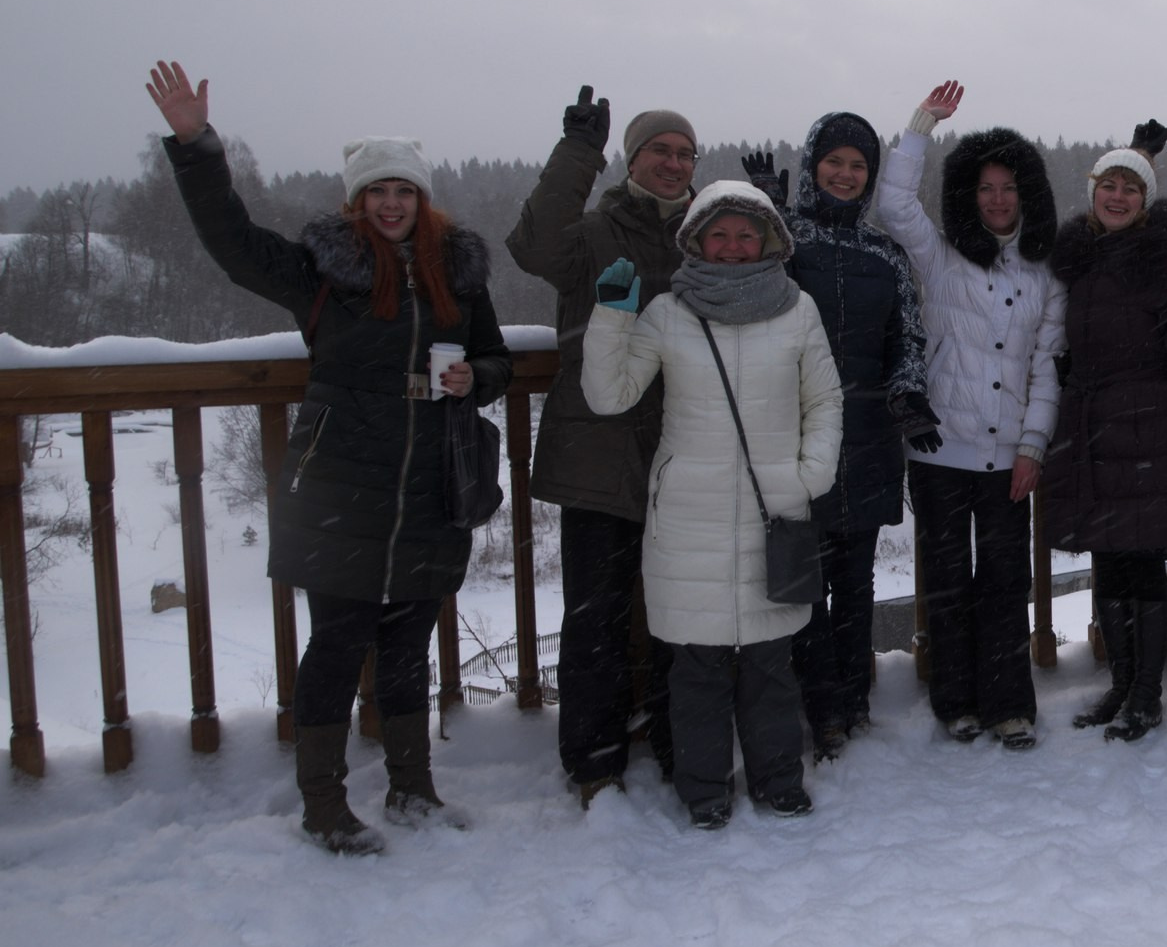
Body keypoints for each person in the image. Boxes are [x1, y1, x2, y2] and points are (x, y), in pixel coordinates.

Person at [146, 61, 510, 854]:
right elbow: (234, 245)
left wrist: (472, 376)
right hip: (341, 479)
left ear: (423, 199)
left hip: (428, 484)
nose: (391, 204)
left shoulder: (458, 272)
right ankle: (324, 805)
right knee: (338, 643)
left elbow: (495, 361)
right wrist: (196, 147)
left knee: (409, 642)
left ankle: (413, 789)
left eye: (404, 191)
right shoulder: (325, 271)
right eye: (378, 192)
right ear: (356, 201)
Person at [580, 181, 842, 828]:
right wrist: (613, 314)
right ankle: (704, 789)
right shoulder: (669, 313)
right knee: (695, 668)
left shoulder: (797, 310)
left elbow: (825, 401)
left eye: (745, 234)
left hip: (773, 509)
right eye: (718, 234)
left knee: (770, 664)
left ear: (769, 241)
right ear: (695, 240)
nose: (732, 246)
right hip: (688, 517)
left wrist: (808, 477)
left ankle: (778, 779)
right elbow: (609, 395)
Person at [508, 85, 694, 805]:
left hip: (684, 449)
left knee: (682, 609)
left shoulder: (705, 235)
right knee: (595, 615)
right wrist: (577, 151)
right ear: (632, 159)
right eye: (659, 151)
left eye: (684, 154)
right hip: (599, 451)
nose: (673, 164)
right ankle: (594, 761)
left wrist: (765, 208)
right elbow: (530, 245)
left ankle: (681, 741)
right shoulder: (591, 235)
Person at [874, 81, 1066, 749]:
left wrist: (1034, 445)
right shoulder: (941, 255)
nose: (997, 199)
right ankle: (954, 701)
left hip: (1009, 456)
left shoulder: (1045, 274)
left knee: (1007, 583)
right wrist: (920, 127)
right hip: (938, 452)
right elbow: (894, 204)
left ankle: (1010, 705)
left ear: (1027, 193)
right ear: (968, 194)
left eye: (1009, 187)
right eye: (985, 188)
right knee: (949, 584)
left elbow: (1047, 365)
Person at [743, 114, 937, 757]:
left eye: (859, 166)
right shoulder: (786, 241)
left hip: (871, 435)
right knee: (806, 583)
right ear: (814, 164)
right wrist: (766, 212)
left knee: (856, 583)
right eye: (835, 162)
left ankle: (853, 700)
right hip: (798, 434)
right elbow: (753, 300)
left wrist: (908, 391)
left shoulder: (886, 252)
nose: (846, 175)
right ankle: (819, 706)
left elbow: (907, 334)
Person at [1044, 123, 1167, 742]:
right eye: (1107, 186)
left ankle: (1147, 694)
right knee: (1106, 561)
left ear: (1145, 201)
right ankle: (1121, 682)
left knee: (1141, 560)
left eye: (1130, 188)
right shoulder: (1079, 258)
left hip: (1148, 422)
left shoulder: (1163, 258)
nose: (1117, 196)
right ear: (1093, 192)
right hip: (1092, 424)